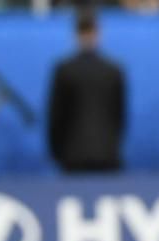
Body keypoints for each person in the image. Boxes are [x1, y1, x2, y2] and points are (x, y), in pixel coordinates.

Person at [46, 10, 126, 173]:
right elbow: (120, 116)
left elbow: (56, 116)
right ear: (98, 33)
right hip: (107, 153)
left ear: (76, 35)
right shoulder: (113, 70)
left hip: (73, 155)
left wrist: (56, 151)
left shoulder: (65, 70)